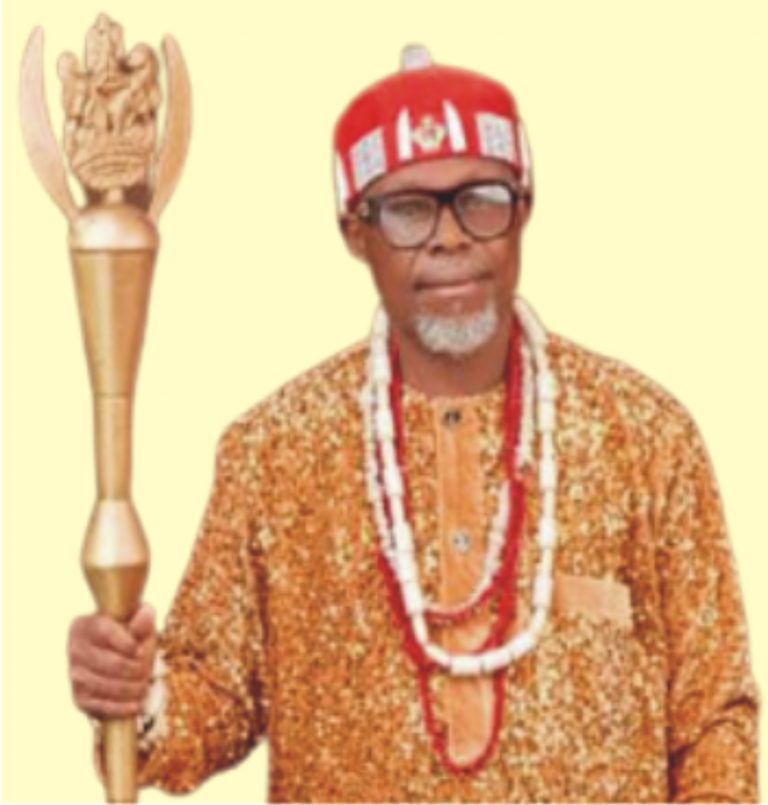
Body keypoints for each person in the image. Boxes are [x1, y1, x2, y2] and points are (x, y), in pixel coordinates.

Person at [67, 45, 759, 802]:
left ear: (523, 209)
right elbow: (213, 700)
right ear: (355, 231)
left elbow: (713, 721)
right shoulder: (272, 452)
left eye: (481, 200)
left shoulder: (645, 437)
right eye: (408, 210)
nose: (450, 237)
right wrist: (135, 693)